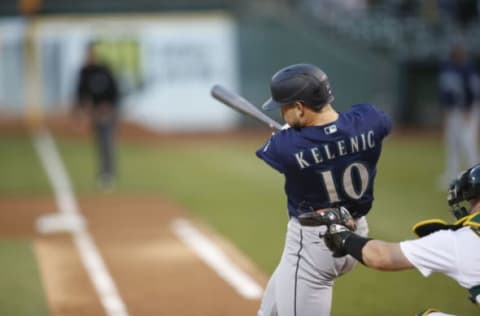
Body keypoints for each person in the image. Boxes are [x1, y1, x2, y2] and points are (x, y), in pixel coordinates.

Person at [255, 63, 392, 316]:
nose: (281, 112)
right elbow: (377, 123)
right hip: (355, 236)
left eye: (285, 107)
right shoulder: (370, 120)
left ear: (299, 107)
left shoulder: (287, 147)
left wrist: (292, 133)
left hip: (313, 247)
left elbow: (273, 148)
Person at [319, 163, 480, 315]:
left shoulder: (462, 240)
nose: (470, 208)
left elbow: (381, 256)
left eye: (473, 201)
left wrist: (342, 236)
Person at [73, 43, 120, 190]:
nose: (90, 56)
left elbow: (115, 91)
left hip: (107, 112)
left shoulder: (105, 70)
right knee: (99, 143)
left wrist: (107, 108)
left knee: (106, 142)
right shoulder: (84, 72)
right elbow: (80, 93)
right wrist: (83, 110)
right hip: (93, 113)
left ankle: (108, 174)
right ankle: (102, 173)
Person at [438, 42, 480, 187]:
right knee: (452, 144)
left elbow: (474, 91)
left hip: (468, 110)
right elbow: (444, 93)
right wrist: (445, 112)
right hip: (453, 111)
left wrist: (468, 111)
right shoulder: (446, 68)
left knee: (468, 143)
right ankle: (452, 175)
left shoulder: (469, 69)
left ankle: (476, 175)